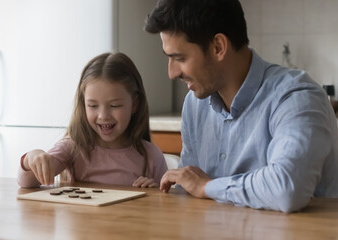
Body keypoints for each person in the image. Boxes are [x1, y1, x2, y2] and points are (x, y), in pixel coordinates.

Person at [144, 0, 338, 212]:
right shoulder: (195, 104)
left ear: (218, 47)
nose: (171, 73)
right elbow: (190, 187)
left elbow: (287, 188)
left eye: (179, 58)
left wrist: (207, 186)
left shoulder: (297, 96)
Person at [18, 52, 167, 188]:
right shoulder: (73, 147)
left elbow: (166, 206)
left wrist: (154, 192)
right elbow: (27, 183)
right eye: (93, 105)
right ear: (84, 105)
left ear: (134, 104)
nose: (103, 115)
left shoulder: (152, 156)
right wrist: (31, 158)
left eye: (114, 105)